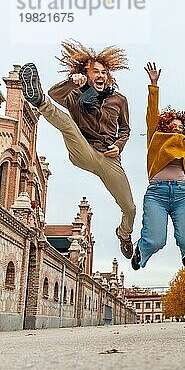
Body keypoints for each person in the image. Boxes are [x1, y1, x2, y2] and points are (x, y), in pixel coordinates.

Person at [19, 40, 136, 259]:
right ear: (86, 74)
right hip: (84, 149)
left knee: (129, 208)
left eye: (103, 72)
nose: (100, 75)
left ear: (108, 75)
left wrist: (118, 147)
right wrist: (71, 82)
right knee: (68, 124)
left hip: (109, 159)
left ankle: (124, 234)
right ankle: (38, 100)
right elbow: (56, 94)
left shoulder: (119, 99)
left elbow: (126, 129)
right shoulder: (74, 94)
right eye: (94, 72)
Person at [131, 62, 185, 270]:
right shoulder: (156, 138)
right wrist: (154, 85)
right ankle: (142, 251)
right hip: (156, 193)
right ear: (165, 127)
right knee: (156, 240)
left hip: (181, 194)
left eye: (181, 128)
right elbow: (152, 114)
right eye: (173, 127)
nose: (177, 130)